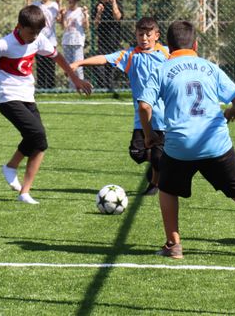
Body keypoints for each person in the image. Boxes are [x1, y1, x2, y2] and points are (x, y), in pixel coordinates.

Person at [137, 20, 235, 259]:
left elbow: (145, 107)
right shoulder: (209, 67)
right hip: (214, 142)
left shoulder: (162, 68)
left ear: (168, 45)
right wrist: (231, 113)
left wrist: (148, 136)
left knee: (166, 188)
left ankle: (173, 245)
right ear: (196, 44)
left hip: (180, 145)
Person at [0, 5, 92, 204]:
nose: (35, 36)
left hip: (27, 95)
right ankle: (17, 180)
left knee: (40, 143)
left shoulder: (38, 39)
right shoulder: (4, 44)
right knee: (37, 134)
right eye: (31, 32)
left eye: (38, 32)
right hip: (7, 96)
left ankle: (20, 184)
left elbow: (57, 57)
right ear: (19, 26)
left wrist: (75, 79)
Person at [70, 17, 168, 195]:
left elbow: (184, 57)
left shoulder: (167, 54)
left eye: (148, 34)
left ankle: (154, 183)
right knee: (136, 152)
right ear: (136, 35)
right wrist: (79, 63)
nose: (144, 38)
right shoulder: (131, 55)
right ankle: (159, 162)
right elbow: (104, 59)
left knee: (157, 154)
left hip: (162, 117)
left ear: (157, 35)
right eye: (140, 34)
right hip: (142, 118)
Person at [25, 0, 59, 89]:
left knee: (50, 65)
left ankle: (50, 88)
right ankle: (41, 87)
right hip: (39, 39)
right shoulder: (36, 4)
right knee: (40, 65)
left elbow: (59, 18)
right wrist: (28, 1)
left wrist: (60, 4)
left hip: (51, 39)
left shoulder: (54, 5)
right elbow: (28, 15)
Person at [92, 0, 124, 91]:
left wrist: (114, 0)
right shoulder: (98, 5)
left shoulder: (115, 3)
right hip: (102, 40)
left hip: (113, 39)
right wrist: (99, 12)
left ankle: (109, 87)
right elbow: (95, 24)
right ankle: (102, 86)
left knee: (111, 65)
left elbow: (118, 17)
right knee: (98, 63)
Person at [59, 0, 89, 89]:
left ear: (77, 0)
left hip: (77, 41)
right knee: (69, 68)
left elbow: (86, 26)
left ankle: (81, 87)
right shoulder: (66, 11)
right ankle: (72, 89)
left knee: (78, 66)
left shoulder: (81, 11)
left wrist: (85, 15)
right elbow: (64, 27)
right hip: (67, 41)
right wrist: (63, 15)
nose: (71, 1)